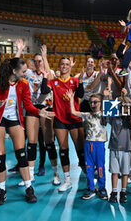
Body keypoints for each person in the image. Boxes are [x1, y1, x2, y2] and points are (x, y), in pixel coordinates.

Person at [0, 58, 54, 205]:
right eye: (23, 71)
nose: (25, 74)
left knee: (21, 154)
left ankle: (29, 188)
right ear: (14, 71)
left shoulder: (23, 84)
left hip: (15, 119)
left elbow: (27, 105)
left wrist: (38, 112)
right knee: (0, 156)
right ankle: (1, 190)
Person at [14, 40, 60, 187]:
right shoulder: (28, 73)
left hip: (46, 108)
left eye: (40, 61)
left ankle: (56, 174)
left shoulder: (49, 73)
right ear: (33, 63)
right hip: (32, 108)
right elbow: (14, 67)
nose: (38, 63)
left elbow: (51, 80)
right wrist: (19, 50)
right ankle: (30, 176)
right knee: (31, 142)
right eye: (36, 61)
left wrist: (45, 56)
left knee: (49, 142)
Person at [45, 57, 85, 192]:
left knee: (80, 149)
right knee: (63, 149)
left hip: (74, 119)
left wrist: (80, 82)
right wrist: (45, 78)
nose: (64, 66)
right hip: (60, 119)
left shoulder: (75, 81)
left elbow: (81, 93)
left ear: (70, 67)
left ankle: (88, 176)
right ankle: (67, 180)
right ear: (59, 65)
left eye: (67, 64)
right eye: (62, 64)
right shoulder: (53, 81)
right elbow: (45, 90)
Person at [66, 91, 108, 200]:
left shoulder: (104, 114)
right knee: (89, 167)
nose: (93, 105)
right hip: (88, 144)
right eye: (91, 102)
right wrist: (71, 99)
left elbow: (110, 107)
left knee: (100, 167)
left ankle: (102, 188)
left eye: (96, 102)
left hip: (99, 145)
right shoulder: (87, 115)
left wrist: (107, 95)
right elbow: (73, 112)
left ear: (101, 103)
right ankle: (90, 188)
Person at [107, 87, 131, 203]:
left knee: (125, 172)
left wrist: (125, 97)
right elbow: (108, 108)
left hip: (126, 149)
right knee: (114, 171)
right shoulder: (113, 117)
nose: (123, 108)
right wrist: (109, 95)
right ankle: (114, 191)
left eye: (125, 106)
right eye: (120, 106)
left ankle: (123, 191)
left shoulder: (129, 119)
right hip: (113, 148)